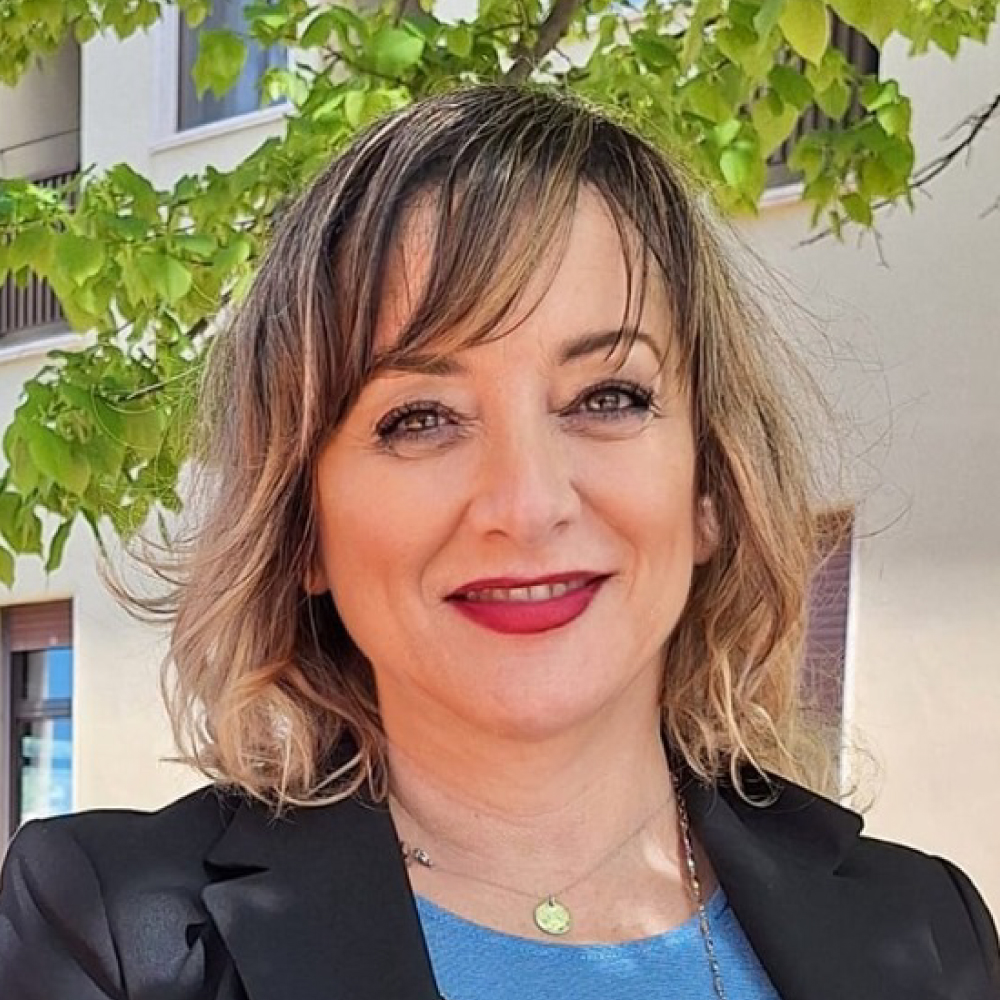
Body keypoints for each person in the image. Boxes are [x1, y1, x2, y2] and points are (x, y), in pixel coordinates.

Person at [0, 85, 997, 1000]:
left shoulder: (930, 931)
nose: (526, 503)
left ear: (707, 485)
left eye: (609, 396)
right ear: (304, 526)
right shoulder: (111, 932)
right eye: (419, 418)